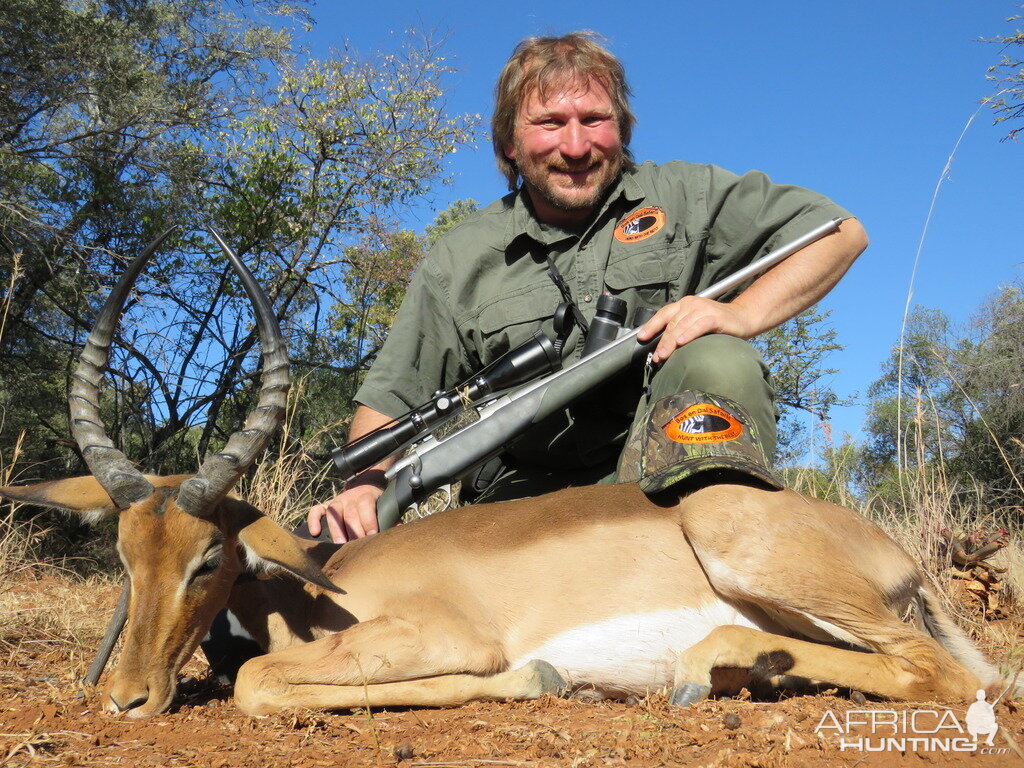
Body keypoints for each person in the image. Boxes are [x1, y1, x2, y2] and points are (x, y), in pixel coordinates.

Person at [307, 31, 868, 544]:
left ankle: (728, 564)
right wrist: (364, 486)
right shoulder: (459, 256)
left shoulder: (685, 195)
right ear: (508, 143)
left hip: (664, 472)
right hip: (521, 498)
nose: (575, 146)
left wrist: (740, 314)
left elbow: (840, 232)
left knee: (721, 358)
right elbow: (394, 396)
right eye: (549, 123)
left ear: (621, 129)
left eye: (595, 120)